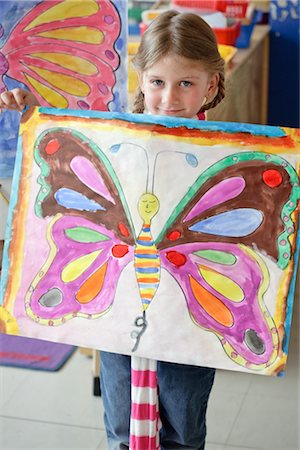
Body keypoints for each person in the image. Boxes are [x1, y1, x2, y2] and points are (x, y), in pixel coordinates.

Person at [0, 10, 225, 449]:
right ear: (141, 81)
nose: (170, 98)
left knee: (183, 429)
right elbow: (68, 152)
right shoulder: (119, 140)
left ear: (211, 85)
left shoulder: (225, 150)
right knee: (122, 429)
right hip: (118, 314)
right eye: (158, 82)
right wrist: (32, 109)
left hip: (188, 319)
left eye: (186, 83)